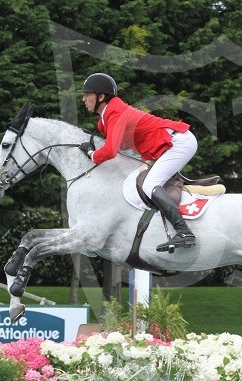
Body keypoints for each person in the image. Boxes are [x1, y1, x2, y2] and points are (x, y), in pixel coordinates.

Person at [79, 73, 197, 251]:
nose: (83, 99)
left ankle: (184, 232)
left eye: (88, 94)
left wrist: (91, 154)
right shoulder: (107, 117)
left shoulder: (115, 112)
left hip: (178, 142)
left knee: (150, 184)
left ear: (101, 97)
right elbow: (122, 147)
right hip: (172, 144)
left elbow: (110, 151)